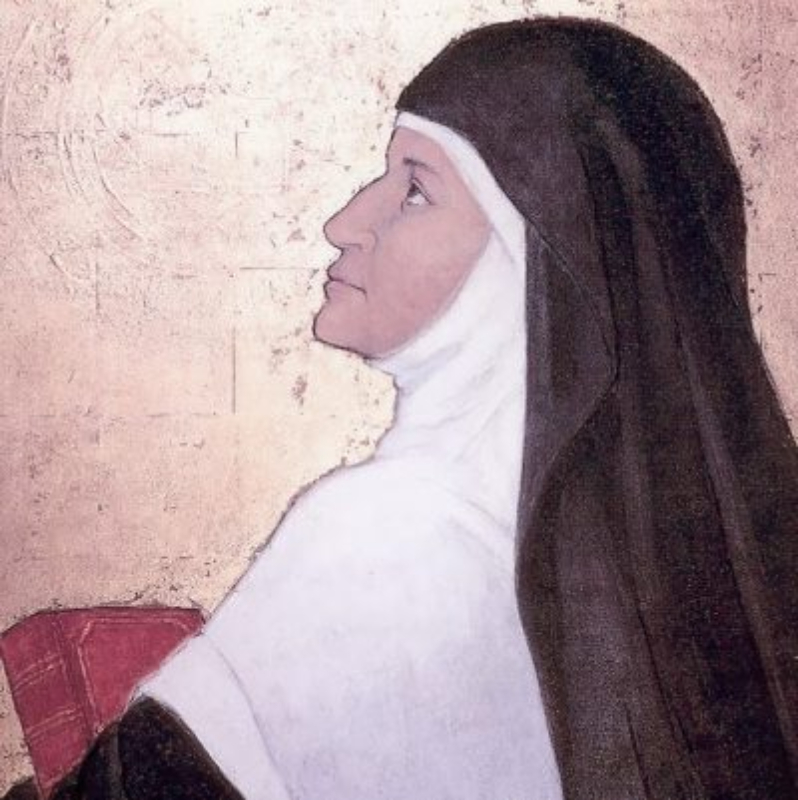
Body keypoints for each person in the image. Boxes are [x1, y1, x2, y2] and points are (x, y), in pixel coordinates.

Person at [6, 16, 798, 800]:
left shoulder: (388, 537)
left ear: (530, 263)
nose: (346, 224)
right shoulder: (654, 605)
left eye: (415, 190)